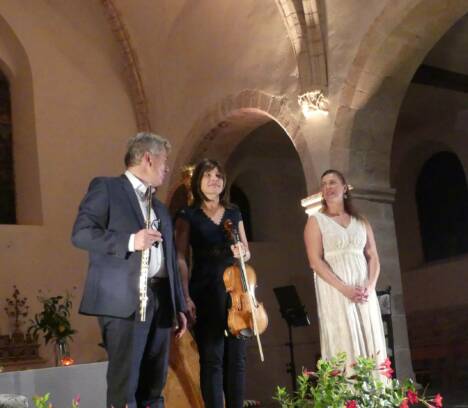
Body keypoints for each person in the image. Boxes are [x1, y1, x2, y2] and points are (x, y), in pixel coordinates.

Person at [71, 132, 187, 408]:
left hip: (160, 302)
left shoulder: (159, 206)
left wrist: (178, 304)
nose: (167, 168)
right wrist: (130, 241)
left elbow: (170, 259)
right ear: (148, 158)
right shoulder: (107, 188)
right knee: (125, 388)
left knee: (155, 387)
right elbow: (81, 234)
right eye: (164, 161)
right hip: (123, 302)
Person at [175, 158, 250, 408]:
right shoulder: (188, 215)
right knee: (212, 359)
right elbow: (180, 258)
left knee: (237, 360)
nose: (214, 180)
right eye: (208, 175)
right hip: (205, 290)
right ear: (198, 181)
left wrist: (242, 252)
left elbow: (246, 252)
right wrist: (185, 295)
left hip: (236, 292)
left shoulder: (233, 211)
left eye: (218, 176)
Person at [303, 169, 388, 371]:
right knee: (344, 337)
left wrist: (370, 285)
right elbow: (315, 261)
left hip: (363, 289)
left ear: (344, 188)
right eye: (324, 184)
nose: (328, 187)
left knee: (370, 336)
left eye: (332, 182)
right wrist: (344, 289)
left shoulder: (361, 221)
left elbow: (373, 255)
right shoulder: (316, 221)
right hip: (336, 290)